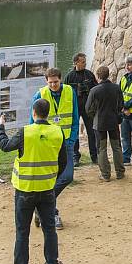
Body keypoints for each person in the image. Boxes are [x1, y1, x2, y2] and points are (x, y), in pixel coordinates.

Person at [0, 98, 66, 264]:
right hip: (47, 189)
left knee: (22, 231)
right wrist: (51, 178)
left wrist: (0, 127)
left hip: (25, 190)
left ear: (33, 113)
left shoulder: (25, 132)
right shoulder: (57, 132)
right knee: (49, 228)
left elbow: (5, 146)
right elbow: (63, 162)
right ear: (48, 113)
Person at [31, 68, 79, 229]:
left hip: (66, 143)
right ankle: (52, 213)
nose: (53, 85)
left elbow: (75, 117)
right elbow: (33, 123)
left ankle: (40, 207)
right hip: (48, 145)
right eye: (50, 82)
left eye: (56, 82)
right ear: (46, 81)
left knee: (67, 177)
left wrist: (72, 139)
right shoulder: (40, 95)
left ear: (61, 80)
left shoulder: (70, 92)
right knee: (49, 180)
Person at [86, 65, 125, 181]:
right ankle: (120, 172)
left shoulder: (94, 90)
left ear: (98, 76)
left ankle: (105, 174)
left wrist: (94, 116)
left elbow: (88, 108)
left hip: (99, 123)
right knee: (116, 147)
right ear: (108, 75)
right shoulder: (116, 88)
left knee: (101, 148)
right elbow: (121, 104)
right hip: (113, 121)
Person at [64, 52, 98, 167]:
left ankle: (94, 156)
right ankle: (75, 157)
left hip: (88, 108)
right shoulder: (69, 76)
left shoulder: (89, 75)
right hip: (75, 108)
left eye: (85, 61)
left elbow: (96, 90)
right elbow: (65, 94)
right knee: (75, 133)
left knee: (91, 132)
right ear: (76, 62)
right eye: (82, 62)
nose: (85, 64)